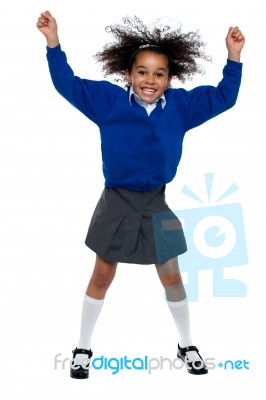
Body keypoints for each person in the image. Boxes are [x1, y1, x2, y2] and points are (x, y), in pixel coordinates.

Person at [36, 11, 245, 379]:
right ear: (128, 75)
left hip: (156, 201)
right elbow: (66, 83)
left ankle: (186, 344)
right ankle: (83, 347)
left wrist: (233, 58)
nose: (150, 80)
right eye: (142, 72)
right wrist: (53, 42)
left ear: (169, 78)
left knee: (173, 277)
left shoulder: (180, 107)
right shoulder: (108, 102)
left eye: (159, 74)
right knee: (102, 273)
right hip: (116, 200)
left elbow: (223, 98)